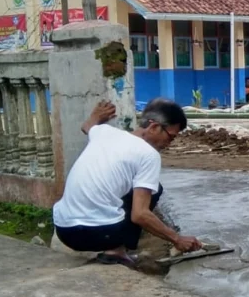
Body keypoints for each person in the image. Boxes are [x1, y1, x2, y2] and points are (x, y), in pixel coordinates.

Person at [52, 98, 201, 267]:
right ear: (154, 127)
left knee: (135, 187)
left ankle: (114, 248)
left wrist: (95, 116)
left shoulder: (104, 132)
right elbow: (139, 215)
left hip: (64, 231)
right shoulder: (148, 154)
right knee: (154, 189)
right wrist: (177, 239)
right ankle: (116, 252)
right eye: (170, 137)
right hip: (99, 235)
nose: (169, 144)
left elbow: (86, 127)